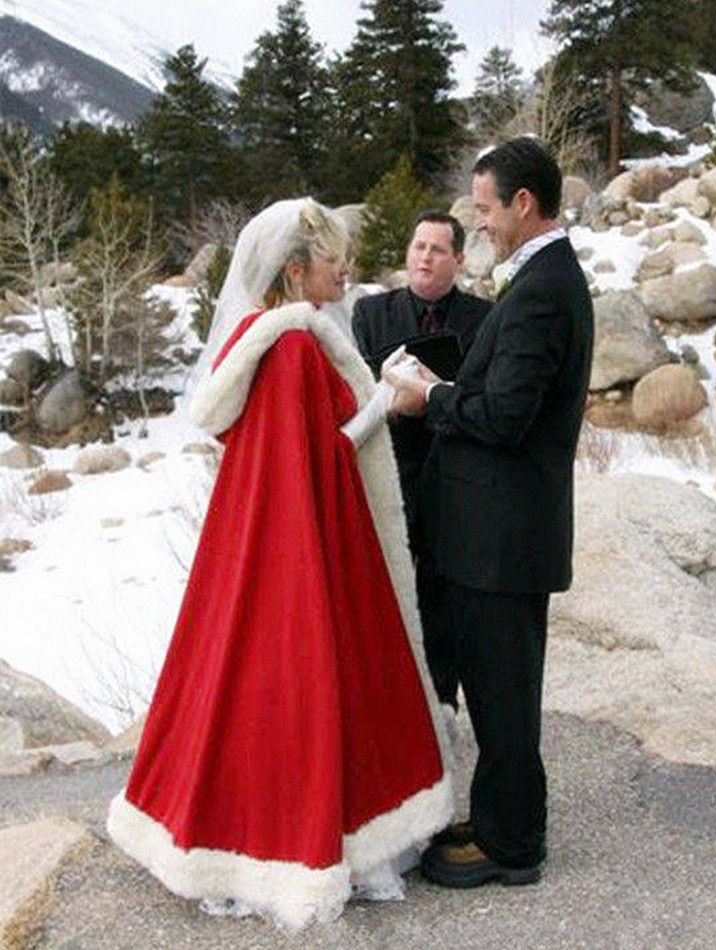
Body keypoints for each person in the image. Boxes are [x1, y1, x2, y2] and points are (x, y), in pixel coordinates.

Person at [107, 198, 453, 930]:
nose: (346, 272)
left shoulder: (255, 339)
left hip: (257, 539)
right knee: (316, 683)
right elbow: (319, 457)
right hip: (308, 541)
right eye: (334, 264)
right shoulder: (293, 346)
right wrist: (385, 402)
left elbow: (282, 453)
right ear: (296, 272)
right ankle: (314, 843)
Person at [386, 138, 594, 888]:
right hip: (497, 533)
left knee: (504, 692)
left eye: (484, 210)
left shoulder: (541, 290)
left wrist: (429, 397)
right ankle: (503, 816)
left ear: (522, 205)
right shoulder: (542, 279)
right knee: (498, 685)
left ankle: (511, 845)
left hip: (503, 539)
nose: (480, 224)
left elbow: (506, 416)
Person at [352, 212, 490, 708]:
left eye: (436, 249)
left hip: (454, 476)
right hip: (390, 472)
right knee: (382, 594)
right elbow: (359, 388)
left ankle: (443, 706)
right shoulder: (371, 313)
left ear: (458, 258)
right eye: (417, 247)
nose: (424, 257)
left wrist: (434, 396)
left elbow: (482, 399)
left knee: (442, 600)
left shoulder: (483, 319)